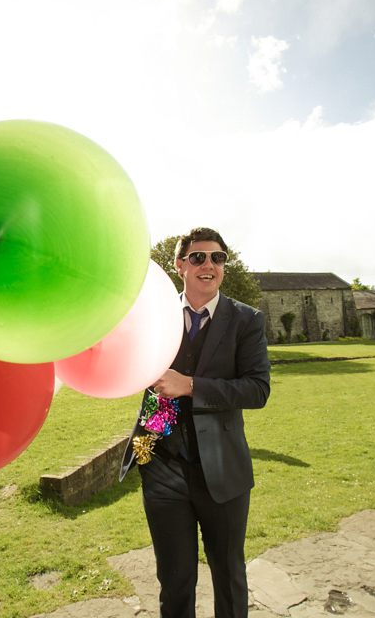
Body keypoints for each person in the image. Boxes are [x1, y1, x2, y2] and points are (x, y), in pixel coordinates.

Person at [119, 227, 271, 618]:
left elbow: (256, 390)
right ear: (179, 264)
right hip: (163, 468)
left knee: (229, 575)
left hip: (223, 471)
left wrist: (189, 385)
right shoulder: (153, 314)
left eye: (217, 258)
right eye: (199, 257)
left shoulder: (246, 320)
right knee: (174, 582)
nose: (209, 265)